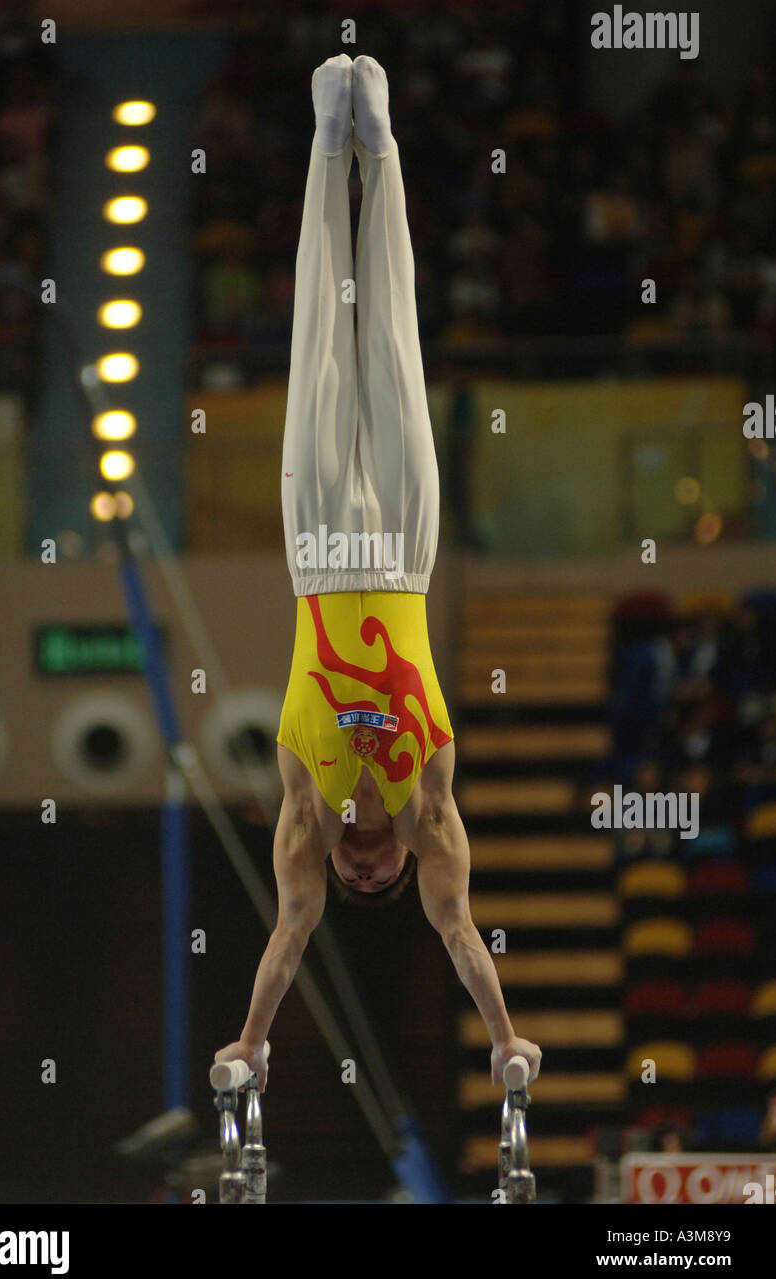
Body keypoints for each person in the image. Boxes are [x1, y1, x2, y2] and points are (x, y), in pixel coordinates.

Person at [215, 55, 541, 1099]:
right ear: (401, 857)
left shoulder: (305, 815)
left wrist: (252, 1040)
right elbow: (456, 930)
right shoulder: (430, 806)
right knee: (390, 341)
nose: (361, 870)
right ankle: (381, 140)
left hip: (316, 554)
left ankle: (325, 138)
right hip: (401, 552)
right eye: (377, 876)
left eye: (353, 878)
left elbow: (287, 934)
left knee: (322, 341)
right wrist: (503, 1037)